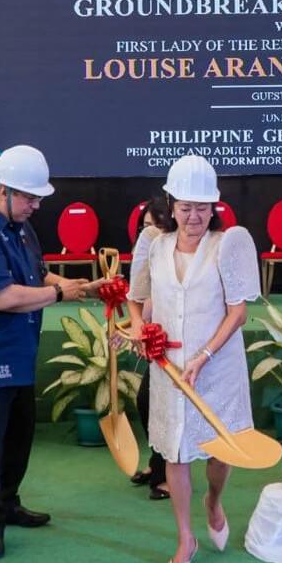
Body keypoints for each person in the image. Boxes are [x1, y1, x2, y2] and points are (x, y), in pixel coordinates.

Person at [0, 145, 101, 559]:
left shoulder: (21, 225)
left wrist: (74, 284)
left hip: (16, 352)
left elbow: (34, 272)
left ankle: (8, 503)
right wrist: (58, 292)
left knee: (18, 436)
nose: (36, 205)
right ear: (3, 189)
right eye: (30, 197)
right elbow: (4, 297)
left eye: (38, 198)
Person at [126, 155, 260, 563]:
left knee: (220, 448)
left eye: (203, 207)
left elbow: (238, 312)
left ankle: (214, 502)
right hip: (169, 367)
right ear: (172, 204)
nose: (194, 215)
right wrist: (139, 329)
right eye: (186, 207)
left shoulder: (229, 244)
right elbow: (136, 297)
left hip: (216, 366)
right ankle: (186, 537)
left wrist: (204, 356)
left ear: (214, 207)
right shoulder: (154, 244)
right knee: (176, 451)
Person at [130, 197, 171, 500]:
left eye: (156, 226)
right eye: (145, 227)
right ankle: (159, 465)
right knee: (147, 402)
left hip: (181, 342)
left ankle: (166, 473)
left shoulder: (178, 256)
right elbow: (136, 300)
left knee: (162, 406)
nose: (149, 234)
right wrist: (136, 326)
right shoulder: (145, 258)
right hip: (155, 341)